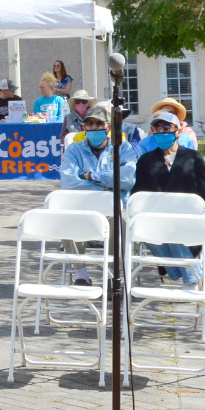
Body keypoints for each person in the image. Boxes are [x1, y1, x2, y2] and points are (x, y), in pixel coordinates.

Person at [131, 109, 205, 287]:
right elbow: (139, 194)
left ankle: (190, 277)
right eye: (157, 128)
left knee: (172, 227)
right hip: (157, 224)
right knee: (143, 229)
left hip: (189, 222)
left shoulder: (192, 157)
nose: (162, 132)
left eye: (167, 127)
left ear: (177, 131)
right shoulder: (146, 160)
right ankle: (194, 275)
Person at [58, 103, 138, 285]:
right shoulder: (74, 150)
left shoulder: (123, 148)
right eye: (89, 124)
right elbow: (68, 183)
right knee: (65, 218)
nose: (94, 128)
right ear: (84, 127)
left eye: (99, 124)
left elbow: (127, 179)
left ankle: (112, 275)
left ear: (108, 126)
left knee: (122, 220)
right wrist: (104, 187)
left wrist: (90, 176)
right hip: (82, 209)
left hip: (113, 211)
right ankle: (81, 275)